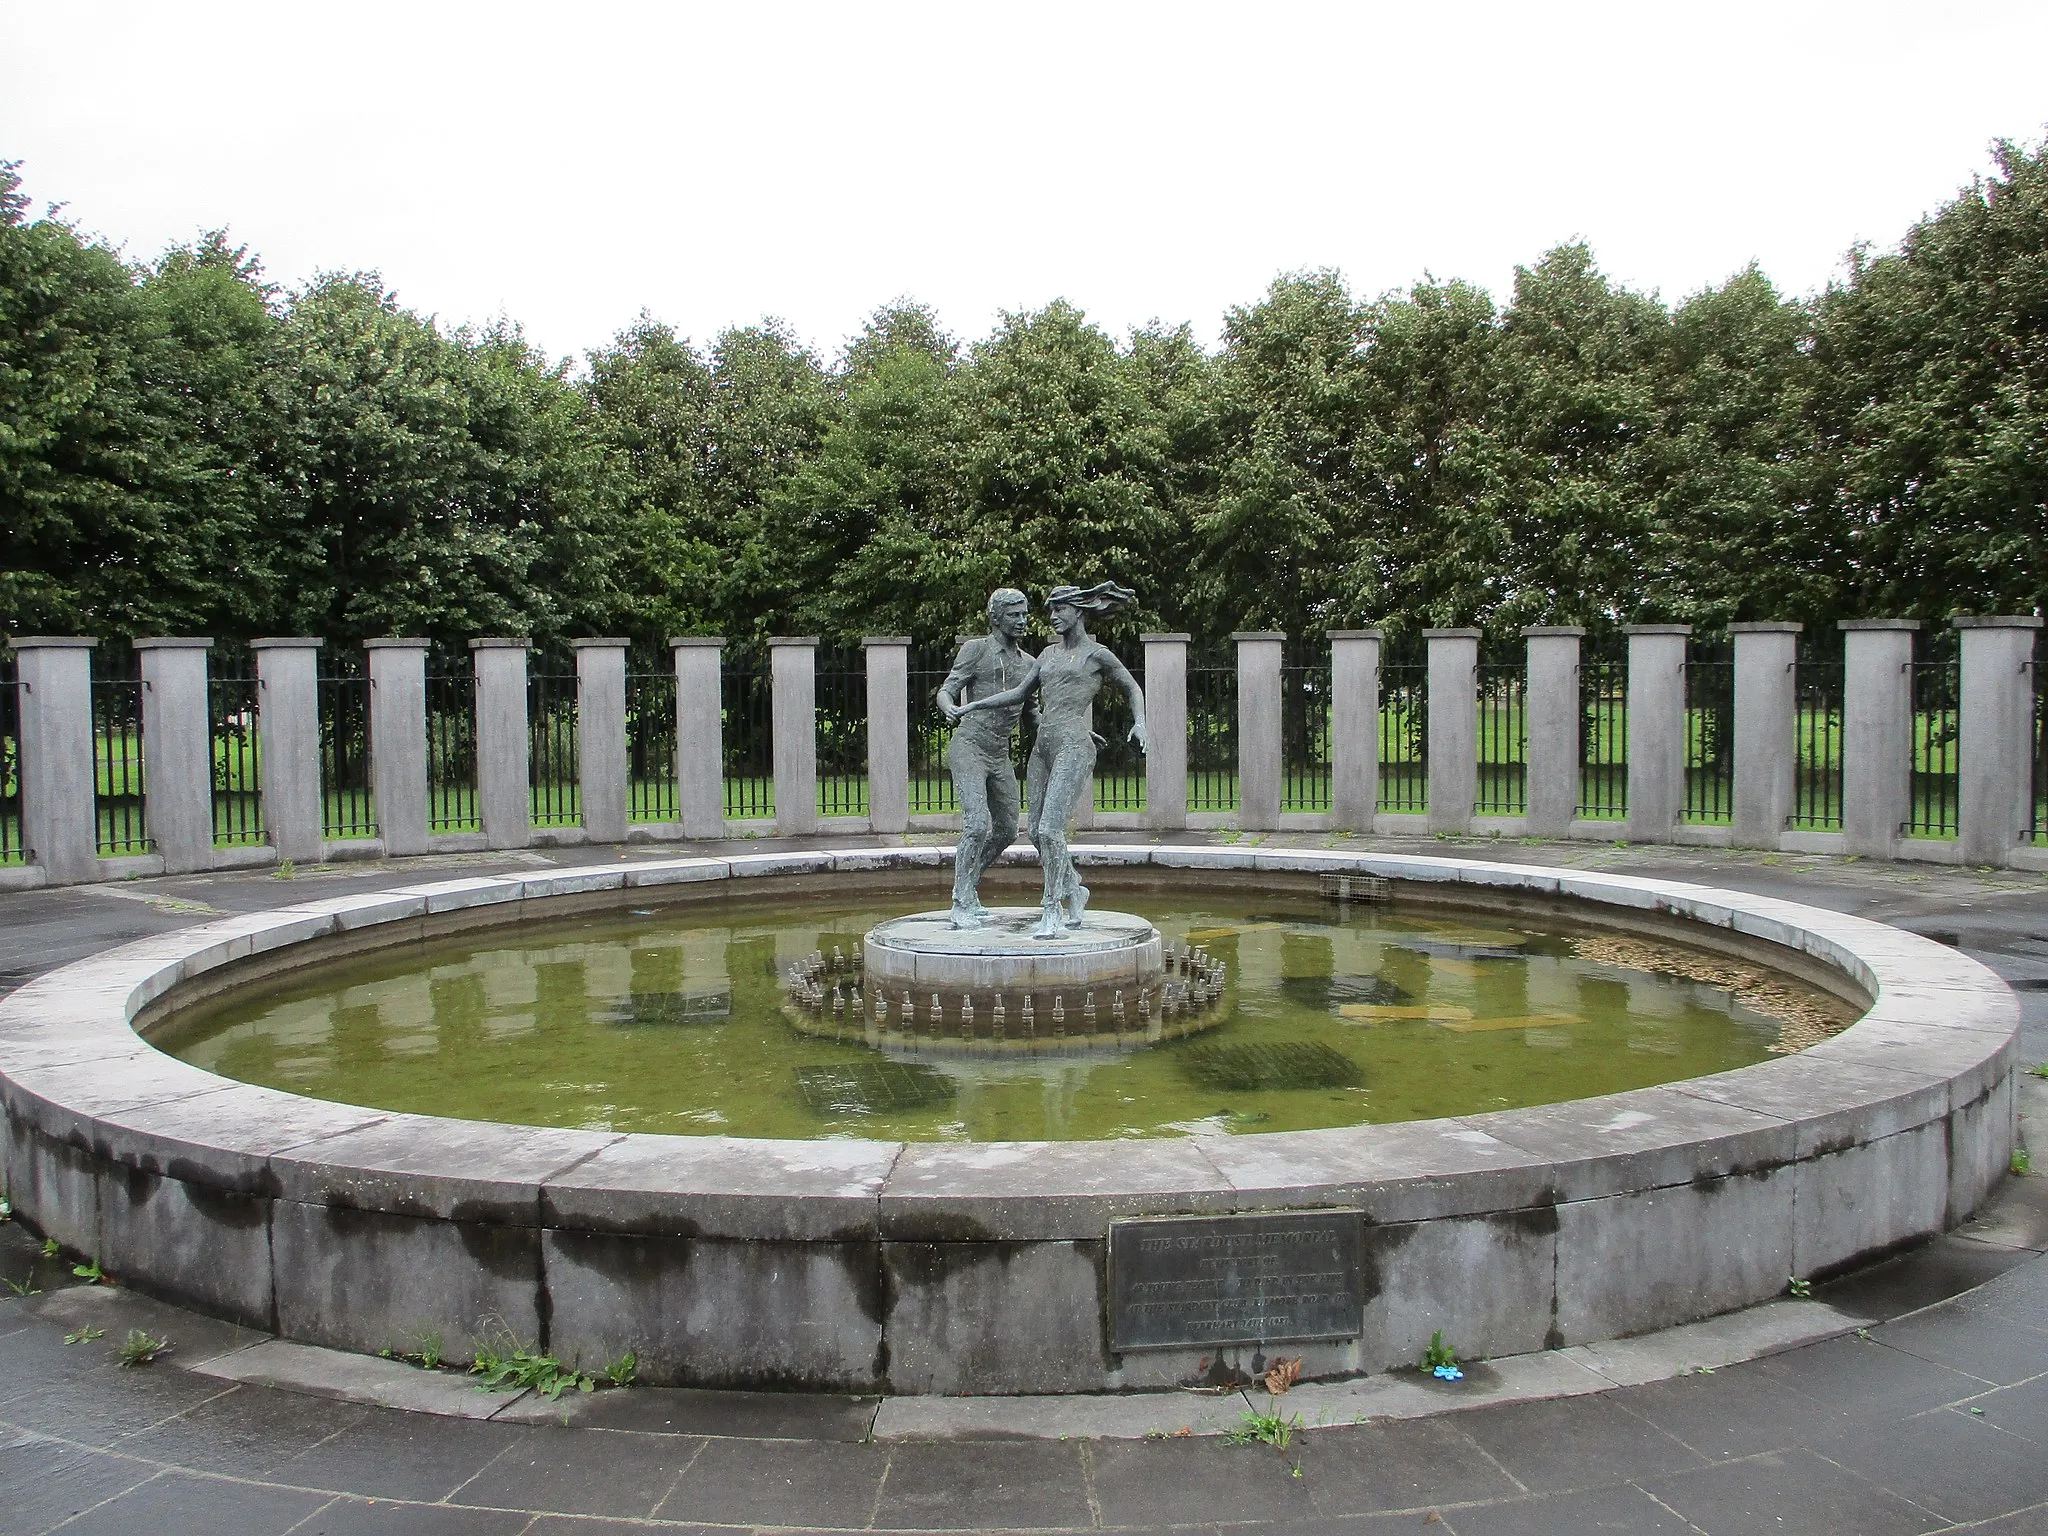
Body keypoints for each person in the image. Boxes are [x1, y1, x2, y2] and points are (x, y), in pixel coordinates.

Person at [958, 582, 1148, 938]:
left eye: (1060, 609)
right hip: (1043, 748)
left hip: (1073, 746)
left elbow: (1132, 687)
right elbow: (1018, 693)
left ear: (1078, 611)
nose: (1053, 617)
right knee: (1035, 834)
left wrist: (1140, 724)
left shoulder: (1098, 655)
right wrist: (975, 705)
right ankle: (1075, 891)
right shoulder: (1046, 655)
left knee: (1049, 829)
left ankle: (1052, 911)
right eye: (1050, 611)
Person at [936, 588, 1034, 928]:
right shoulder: (976, 650)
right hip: (970, 747)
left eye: (1025, 614)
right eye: (1014, 615)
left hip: (999, 753)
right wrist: (948, 706)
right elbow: (948, 689)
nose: (1022, 621)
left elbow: (1033, 715)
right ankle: (961, 901)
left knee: (1007, 829)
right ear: (996, 617)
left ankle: (968, 885)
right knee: (977, 824)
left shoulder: (1030, 664)